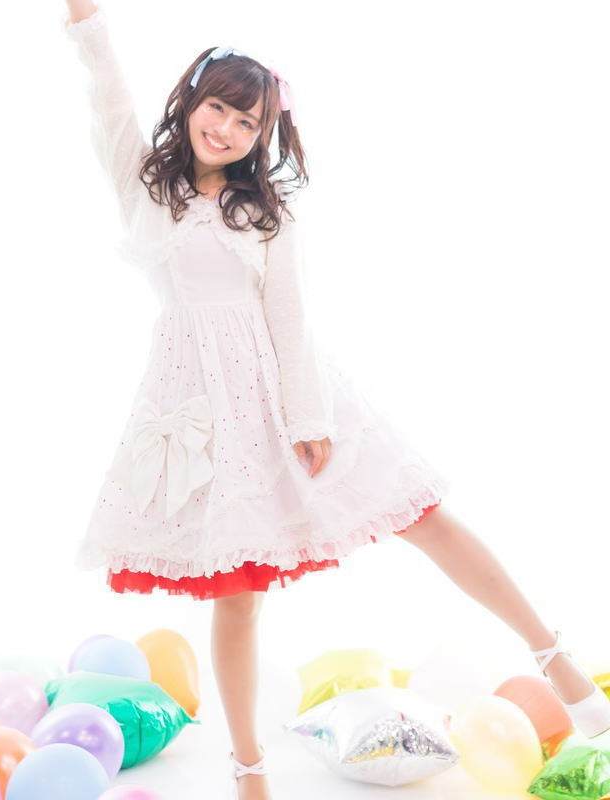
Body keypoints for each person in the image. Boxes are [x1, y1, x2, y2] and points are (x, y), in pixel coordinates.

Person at [61, 3, 610, 798]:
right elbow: (106, 90)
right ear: (190, 102)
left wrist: (308, 419)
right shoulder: (146, 186)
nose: (225, 128)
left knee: (424, 514)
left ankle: (554, 660)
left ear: (263, 136)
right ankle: (249, 769)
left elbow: (289, 319)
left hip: (290, 393)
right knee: (238, 598)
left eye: (246, 121)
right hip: (203, 412)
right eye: (217, 107)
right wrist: (86, 19)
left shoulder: (266, 213)